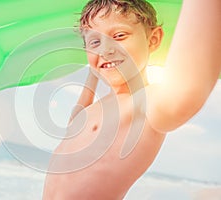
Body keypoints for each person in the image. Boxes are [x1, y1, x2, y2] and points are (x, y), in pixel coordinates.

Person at [43, 0, 221, 199]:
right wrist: (93, 71)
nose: (106, 50)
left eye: (119, 36)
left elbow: (185, 93)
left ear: (153, 40)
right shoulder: (87, 111)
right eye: (95, 42)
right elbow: (76, 117)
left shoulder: (146, 102)